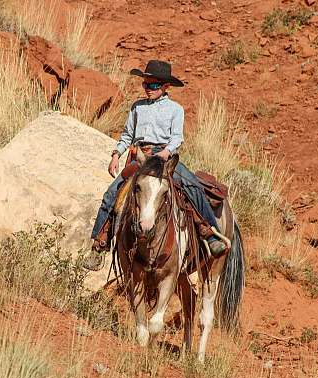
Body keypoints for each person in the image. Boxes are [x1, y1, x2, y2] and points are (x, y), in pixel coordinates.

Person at [83, 60, 227, 271]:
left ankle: (209, 232)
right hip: (140, 157)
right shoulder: (137, 107)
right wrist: (116, 154)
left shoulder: (175, 110)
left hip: (164, 157)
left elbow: (177, 138)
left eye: (152, 86)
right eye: (145, 85)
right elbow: (127, 135)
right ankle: (99, 244)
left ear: (165, 87)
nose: (148, 89)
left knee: (192, 186)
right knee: (111, 194)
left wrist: (165, 153)